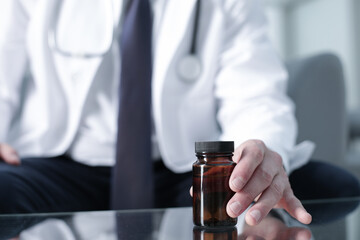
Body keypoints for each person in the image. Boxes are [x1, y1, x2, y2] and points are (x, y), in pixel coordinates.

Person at [3, 0, 356, 227]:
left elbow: (255, 94)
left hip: (187, 175)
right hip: (62, 166)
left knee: (330, 187)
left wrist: (260, 149)